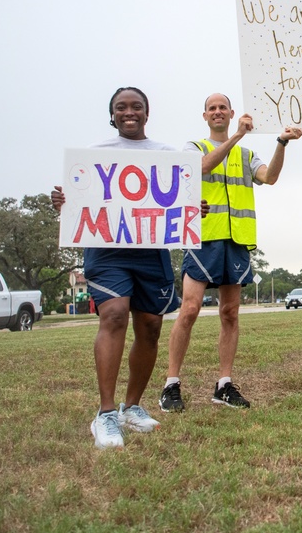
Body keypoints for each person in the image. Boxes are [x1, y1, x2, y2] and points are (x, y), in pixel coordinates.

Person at [51, 87, 199, 449]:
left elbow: (180, 201)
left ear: (147, 113)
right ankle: (104, 415)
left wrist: (194, 209)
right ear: (112, 114)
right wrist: (64, 203)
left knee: (149, 328)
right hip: (107, 249)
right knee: (114, 315)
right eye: (121, 107)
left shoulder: (167, 155)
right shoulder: (95, 155)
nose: (128, 112)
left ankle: (131, 407)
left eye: (136, 106)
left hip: (151, 252)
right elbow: (81, 200)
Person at [158, 93, 302, 413]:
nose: (218, 111)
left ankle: (223, 385)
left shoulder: (247, 154)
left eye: (223, 107)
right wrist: (237, 134)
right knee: (190, 309)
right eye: (212, 108)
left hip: (236, 240)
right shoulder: (194, 148)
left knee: (230, 313)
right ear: (205, 116)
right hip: (203, 238)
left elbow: (271, 177)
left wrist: (281, 142)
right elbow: (200, 168)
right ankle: (171, 384)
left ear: (231, 111)